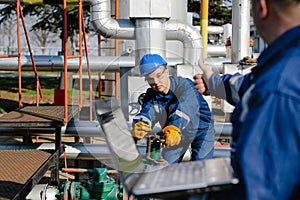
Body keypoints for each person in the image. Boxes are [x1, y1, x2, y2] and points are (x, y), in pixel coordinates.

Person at [193, 0, 300, 199]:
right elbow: (251, 85)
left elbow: (258, 190)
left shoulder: (277, 89)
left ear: (262, 7)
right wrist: (214, 83)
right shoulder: (287, 63)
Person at [132, 53, 215, 164]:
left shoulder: (185, 86)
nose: (156, 82)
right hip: (174, 135)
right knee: (166, 166)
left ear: (167, 72)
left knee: (202, 168)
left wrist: (174, 127)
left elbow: (185, 109)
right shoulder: (151, 96)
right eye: (150, 79)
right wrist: (140, 124)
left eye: (159, 76)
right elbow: (147, 113)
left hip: (201, 130)